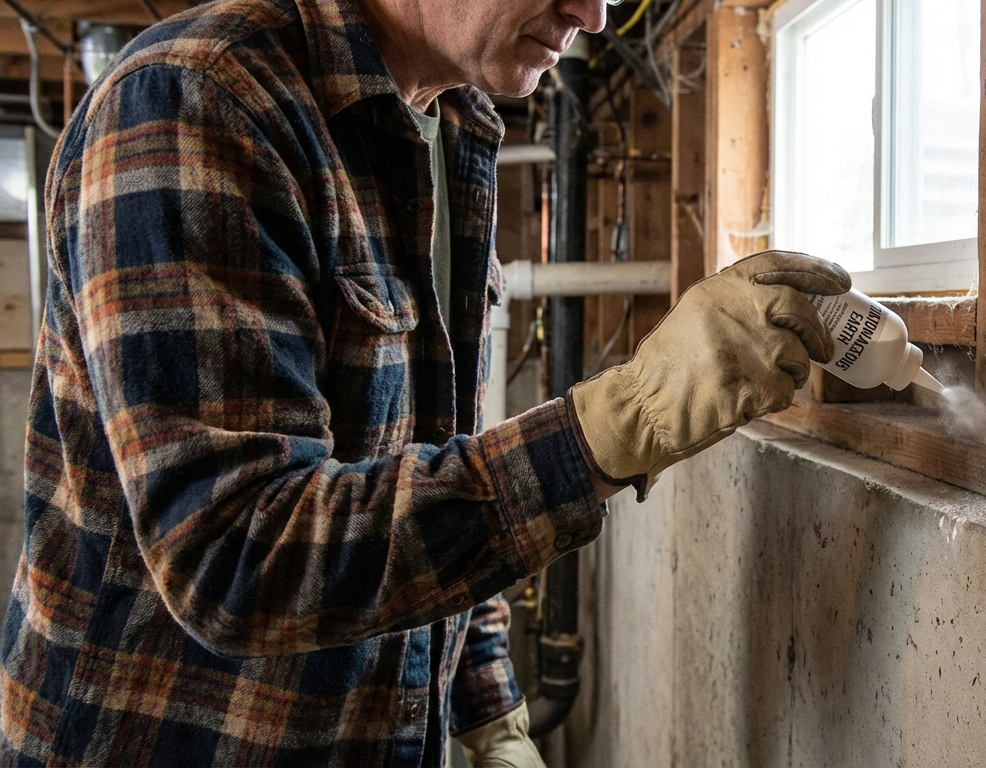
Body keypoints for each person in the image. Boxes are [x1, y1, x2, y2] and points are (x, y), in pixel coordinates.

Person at [0, 0, 849, 763]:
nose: (591, 16)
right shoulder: (201, 100)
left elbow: (426, 465)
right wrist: (611, 428)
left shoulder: (452, 124)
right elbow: (233, 554)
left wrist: (487, 711)